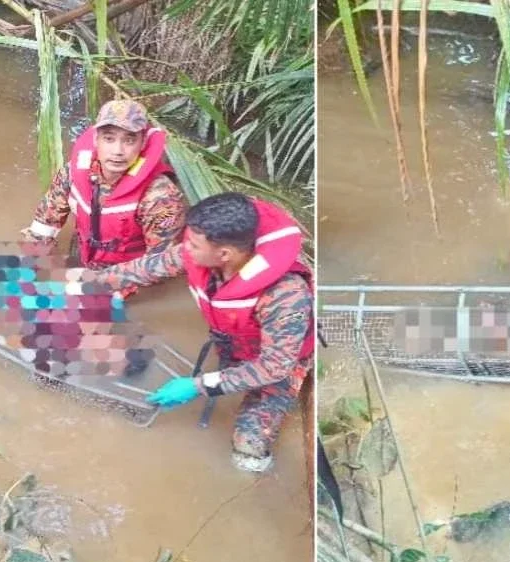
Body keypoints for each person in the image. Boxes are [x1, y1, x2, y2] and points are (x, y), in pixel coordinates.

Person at [86, 191, 314, 473]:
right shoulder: (204, 254)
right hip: (233, 344)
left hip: (275, 363)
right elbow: (145, 269)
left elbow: (274, 367)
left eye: (193, 244)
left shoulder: (286, 296)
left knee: (248, 450)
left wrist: (197, 386)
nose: (185, 248)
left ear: (224, 254)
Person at [21, 99, 187, 298]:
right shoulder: (73, 173)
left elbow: (160, 265)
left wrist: (102, 287)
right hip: (84, 254)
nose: (118, 151)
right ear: (95, 140)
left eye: (129, 140)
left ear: (142, 143)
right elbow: (45, 223)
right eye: (109, 139)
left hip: (130, 277)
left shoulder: (160, 197)